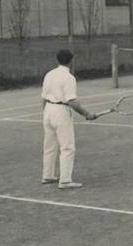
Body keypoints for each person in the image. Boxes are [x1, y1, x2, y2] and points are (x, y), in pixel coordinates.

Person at [41, 49, 97, 189]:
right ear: (71, 61)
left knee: (49, 146)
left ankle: (47, 176)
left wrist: (46, 113)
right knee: (67, 147)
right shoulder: (69, 78)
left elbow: (43, 97)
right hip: (60, 112)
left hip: (48, 110)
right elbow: (72, 101)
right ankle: (65, 181)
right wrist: (86, 114)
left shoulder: (49, 74)